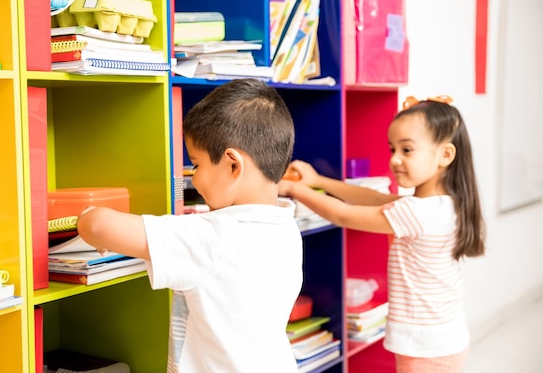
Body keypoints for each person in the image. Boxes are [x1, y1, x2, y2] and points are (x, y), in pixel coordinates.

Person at [77, 78, 303, 373]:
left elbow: (97, 225)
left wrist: (84, 217)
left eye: (196, 165)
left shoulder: (213, 237)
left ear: (233, 165)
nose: (193, 179)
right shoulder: (285, 224)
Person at [278, 97, 486, 373]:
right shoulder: (443, 205)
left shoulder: (418, 212)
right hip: (443, 340)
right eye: (392, 149)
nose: (394, 160)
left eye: (407, 150)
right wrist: (317, 181)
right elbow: (373, 197)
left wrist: (293, 190)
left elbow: (343, 215)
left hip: (424, 347)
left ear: (445, 155)